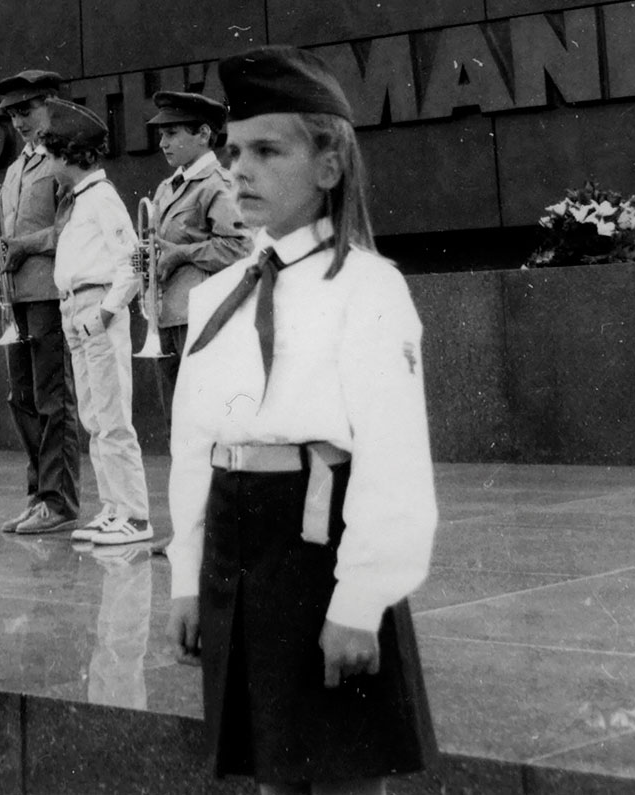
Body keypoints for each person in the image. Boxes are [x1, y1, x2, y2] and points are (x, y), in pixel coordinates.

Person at [167, 47, 437, 791]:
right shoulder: (218, 292)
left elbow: (393, 457)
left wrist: (362, 600)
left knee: (344, 764)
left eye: (266, 150)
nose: (239, 169)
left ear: (328, 166)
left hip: (319, 542)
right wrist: (185, 578)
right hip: (236, 535)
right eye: (233, 151)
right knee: (272, 771)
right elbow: (195, 443)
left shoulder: (366, 287)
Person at [43, 102, 153, 548]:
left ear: (70, 155)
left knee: (112, 416)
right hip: (76, 310)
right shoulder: (81, 200)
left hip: (96, 309)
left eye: (51, 154)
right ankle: (113, 507)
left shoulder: (103, 199)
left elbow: (133, 262)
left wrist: (106, 312)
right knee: (93, 416)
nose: (47, 164)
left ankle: (135, 515)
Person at [0, 67, 80, 537]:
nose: (19, 122)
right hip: (18, 296)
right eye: (12, 114)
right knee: (21, 398)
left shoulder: (64, 162)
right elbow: (13, 235)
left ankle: (59, 501)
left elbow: (73, 230)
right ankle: (38, 494)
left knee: (52, 399)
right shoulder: (17, 168)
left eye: (27, 110)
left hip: (50, 293)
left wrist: (22, 246)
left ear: (50, 106)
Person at [138, 88, 249, 413]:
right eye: (162, 134)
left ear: (203, 134)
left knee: (205, 419)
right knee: (178, 426)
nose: (163, 143)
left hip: (201, 319)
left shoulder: (217, 185)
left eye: (172, 133)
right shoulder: (167, 187)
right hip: (167, 319)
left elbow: (241, 248)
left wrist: (181, 254)